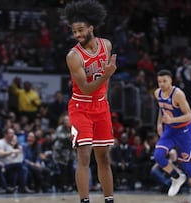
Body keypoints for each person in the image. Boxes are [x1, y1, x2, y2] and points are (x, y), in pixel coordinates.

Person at [64, 1, 117, 202]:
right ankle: (84, 200)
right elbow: (86, 88)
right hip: (81, 107)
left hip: (101, 106)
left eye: (80, 30)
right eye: (74, 31)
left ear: (91, 28)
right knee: (84, 156)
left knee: (104, 157)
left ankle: (109, 199)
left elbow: (106, 81)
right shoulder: (73, 56)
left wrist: (105, 97)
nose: (77, 34)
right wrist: (106, 74)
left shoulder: (107, 45)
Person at [153, 69, 191, 203]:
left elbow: (189, 115)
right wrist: (159, 123)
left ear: (171, 80)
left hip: (184, 131)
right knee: (158, 155)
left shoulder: (178, 94)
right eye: (159, 81)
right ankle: (176, 176)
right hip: (170, 130)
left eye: (164, 81)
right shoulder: (157, 93)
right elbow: (162, 108)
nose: (162, 84)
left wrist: (171, 121)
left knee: (187, 166)